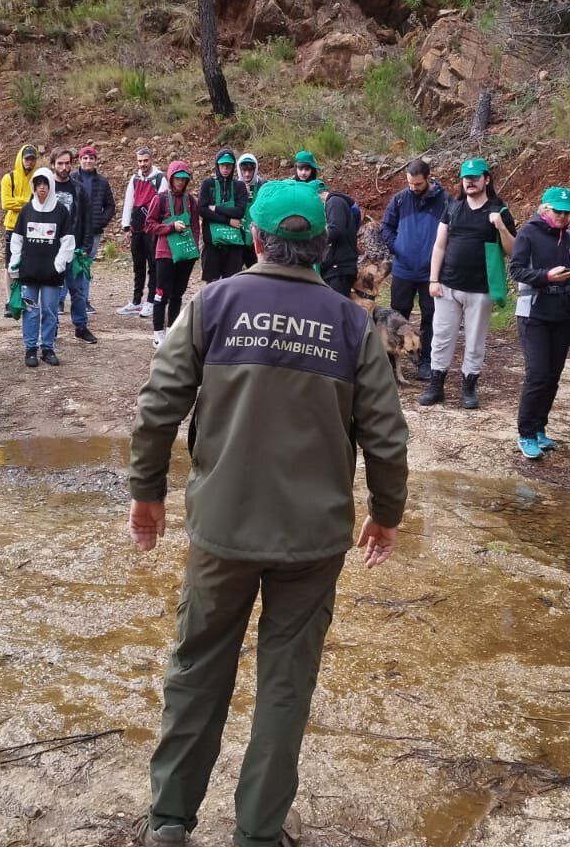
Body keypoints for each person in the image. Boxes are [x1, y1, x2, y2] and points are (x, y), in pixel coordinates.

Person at [126, 178, 409, 847]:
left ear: (254, 238)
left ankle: (169, 822)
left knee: (198, 667)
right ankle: (257, 833)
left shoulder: (213, 304)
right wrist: (386, 511)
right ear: (321, 247)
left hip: (222, 531)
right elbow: (387, 435)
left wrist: (147, 493)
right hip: (311, 543)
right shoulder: (351, 323)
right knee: (286, 684)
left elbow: (157, 406)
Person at [420, 158, 517, 410]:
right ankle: (435, 385)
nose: (470, 181)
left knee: (475, 340)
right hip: (448, 286)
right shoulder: (453, 208)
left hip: (481, 288)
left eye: (475, 177)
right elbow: (439, 245)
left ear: (486, 179)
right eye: (466, 177)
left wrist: (500, 227)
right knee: (441, 337)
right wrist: (433, 279)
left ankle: (469, 389)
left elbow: (512, 250)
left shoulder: (499, 210)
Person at [511, 187, 570, 457]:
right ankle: (525, 433)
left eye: (567, 213)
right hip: (533, 313)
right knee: (538, 373)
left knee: (552, 376)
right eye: (558, 211)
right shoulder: (528, 233)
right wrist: (546, 276)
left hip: (563, 313)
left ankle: (540, 427)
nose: (563, 217)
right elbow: (516, 270)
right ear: (544, 209)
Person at [379, 159, 447, 382]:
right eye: (410, 183)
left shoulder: (445, 201)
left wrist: (440, 257)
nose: (413, 188)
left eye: (417, 184)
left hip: (431, 273)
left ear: (428, 178)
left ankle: (426, 361)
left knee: (431, 317)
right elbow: (386, 227)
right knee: (397, 317)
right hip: (403, 270)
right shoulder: (399, 200)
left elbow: (453, 232)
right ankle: (392, 360)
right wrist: (397, 246)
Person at [9, 166, 74, 367]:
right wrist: (14, 263)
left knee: (49, 310)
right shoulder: (27, 210)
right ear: (34, 187)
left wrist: (59, 265)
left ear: (51, 186)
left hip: (52, 274)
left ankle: (47, 348)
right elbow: (17, 239)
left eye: (45, 184)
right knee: (31, 311)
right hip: (29, 272)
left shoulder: (61, 211)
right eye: (38, 184)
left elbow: (68, 241)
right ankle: (30, 349)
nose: (42, 188)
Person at [146, 162, 200, 349]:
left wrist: (194, 250)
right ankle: (157, 334)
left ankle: (172, 331)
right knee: (161, 293)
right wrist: (170, 227)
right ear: (170, 178)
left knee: (178, 294)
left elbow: (195, 226)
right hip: (165, 253)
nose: (180, 182)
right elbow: (149, 225)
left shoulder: (191, 201)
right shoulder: (159, 199)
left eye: (184, 179)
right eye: (177, 178)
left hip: (185, 254)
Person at [50, 147, 97, 342]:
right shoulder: (45, 186)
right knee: (51, 291)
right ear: (52, 165)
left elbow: (87, 219)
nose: (64, 167)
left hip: (74, 248)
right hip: (50, 250)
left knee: (77, 291)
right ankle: (50, 327)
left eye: (67, 163)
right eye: (60, 163)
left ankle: (81, 326)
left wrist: (86, 247)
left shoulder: (78, 188)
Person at [73, 144, 116, 327]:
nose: (88, 161)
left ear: (95, 160)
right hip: (72, 229)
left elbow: (110, 206)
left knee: (85, 265)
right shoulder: (72, 178)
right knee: (65, 263)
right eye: (85, 158)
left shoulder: (102, 181)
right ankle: (60, 299)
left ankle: (83, 300)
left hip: (93, 231)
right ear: (80, 160)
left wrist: (101, 221)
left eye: (91, 158)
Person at [119, 147, 165, 317]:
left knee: (153, 266)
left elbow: (162, 203)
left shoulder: (159, 178)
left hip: (152, 229)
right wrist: (126, 226)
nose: (143, 164)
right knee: (138, 266)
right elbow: (129, 202)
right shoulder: (135, 178)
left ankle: (151, 301)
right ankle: (136, 300)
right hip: (137, 228)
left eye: (145, 160)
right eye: (140, 161)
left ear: (151, 159)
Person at [197, 149, 250, 283]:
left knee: (231, 285)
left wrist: (216, 208)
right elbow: (202, 210)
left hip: (234, 245)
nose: (225, 168)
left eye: (229, 165)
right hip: (212, 245)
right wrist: (228, 220)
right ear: (217, 165)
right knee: (212, 285)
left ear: (233, 166)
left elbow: (240, 211)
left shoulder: (239, 186)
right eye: (222, 165)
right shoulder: (207, 184)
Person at [320, 183, 361, 298]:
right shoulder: (334, 203)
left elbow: (335, 230)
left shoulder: (334, 202)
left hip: (339, 269)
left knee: (335, 311)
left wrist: (312, 238)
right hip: (337, 267)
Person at [0, 143, 38, 264]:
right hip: (12, 227)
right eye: (27, 158)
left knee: (30, 263)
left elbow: (40, 202)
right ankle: (9, 284)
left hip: (33, 227)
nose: (30, 162)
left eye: (32, 159)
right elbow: (6, 203)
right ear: (20, 159)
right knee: (10, 263)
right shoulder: (8, 178)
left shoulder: (38, 179)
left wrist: (17, 201)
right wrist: (29, 202)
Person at [236, 153, 263, 269]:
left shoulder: (262, 186)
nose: (247, 174)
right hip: (238, 236)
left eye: (250, 170)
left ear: (255, 169)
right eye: (244, 170)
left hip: (257, 238)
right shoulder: (234, 186)